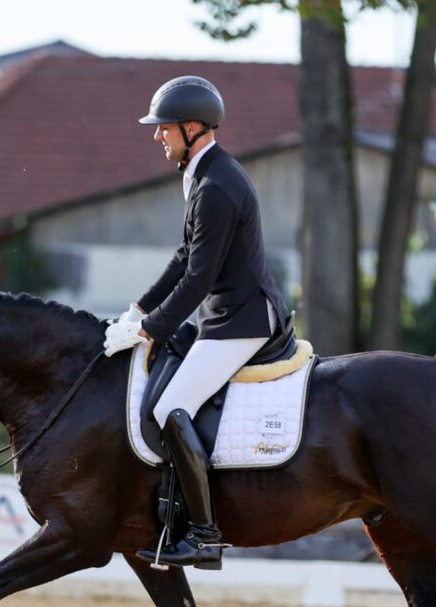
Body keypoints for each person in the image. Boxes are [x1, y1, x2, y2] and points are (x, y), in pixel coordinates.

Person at [104, 75, 290, 569]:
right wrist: (139, 310)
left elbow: (198, 279)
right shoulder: (205, 175)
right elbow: (185, 256)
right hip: (223, 316)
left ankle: (205, 534)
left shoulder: (217, 185)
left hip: (242, 320)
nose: (156, 136)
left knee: (171, 408)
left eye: (163, 128)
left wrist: (150, 330)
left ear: (191, 128)